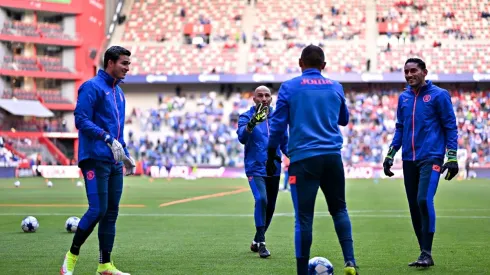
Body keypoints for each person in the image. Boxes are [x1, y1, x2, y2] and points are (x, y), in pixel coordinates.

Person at [265, 45, 359, 275]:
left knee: (304, 218)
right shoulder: (336, 86)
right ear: (324, 66)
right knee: (339, 210)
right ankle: (350, 262)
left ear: (300, 63)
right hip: (332, 157)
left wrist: (271, 153)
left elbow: (277, 126)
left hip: (304, 159)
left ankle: (301, 271)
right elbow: (344, 120)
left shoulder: (289, 87)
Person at [60, 46, 136, 275]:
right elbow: (80, 119)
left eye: (129, 64)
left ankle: (105, 265)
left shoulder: (119, 93)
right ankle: (71, 257)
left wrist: (126, 156)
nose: (127, 68)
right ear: (110, 62)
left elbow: (118, 132)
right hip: (94, 158)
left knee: (111, 212)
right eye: (124, 63)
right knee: (97, 210)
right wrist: (106, 138)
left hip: (113, 161)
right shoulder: (91, 87)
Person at [383, 58, 459, 268]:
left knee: (424, 200)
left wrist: (451, 156)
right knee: (414, 207)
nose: (409, 75)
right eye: (406, 71)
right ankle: (424, 253)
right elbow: (400, 127)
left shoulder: (439, 95)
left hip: (432, 157)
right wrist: (391, 154)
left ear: (424, 72)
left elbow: (450, 127)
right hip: (409, 159)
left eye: (413, 70)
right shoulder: (403, 98)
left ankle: (426, 252)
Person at [236, 85, 288, 258]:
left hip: (273, 168)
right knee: (261, 199)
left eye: (267, 95)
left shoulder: (278, 117)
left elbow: (285, 143)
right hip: (255, 168)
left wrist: (296, 158)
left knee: (271, 207)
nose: (264, 98)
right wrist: (252, 123)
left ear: (271, 99)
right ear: (254, 98)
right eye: (260, 95)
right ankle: (262, 244)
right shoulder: (246, 116)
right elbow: (242, 138)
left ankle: (256, 239)